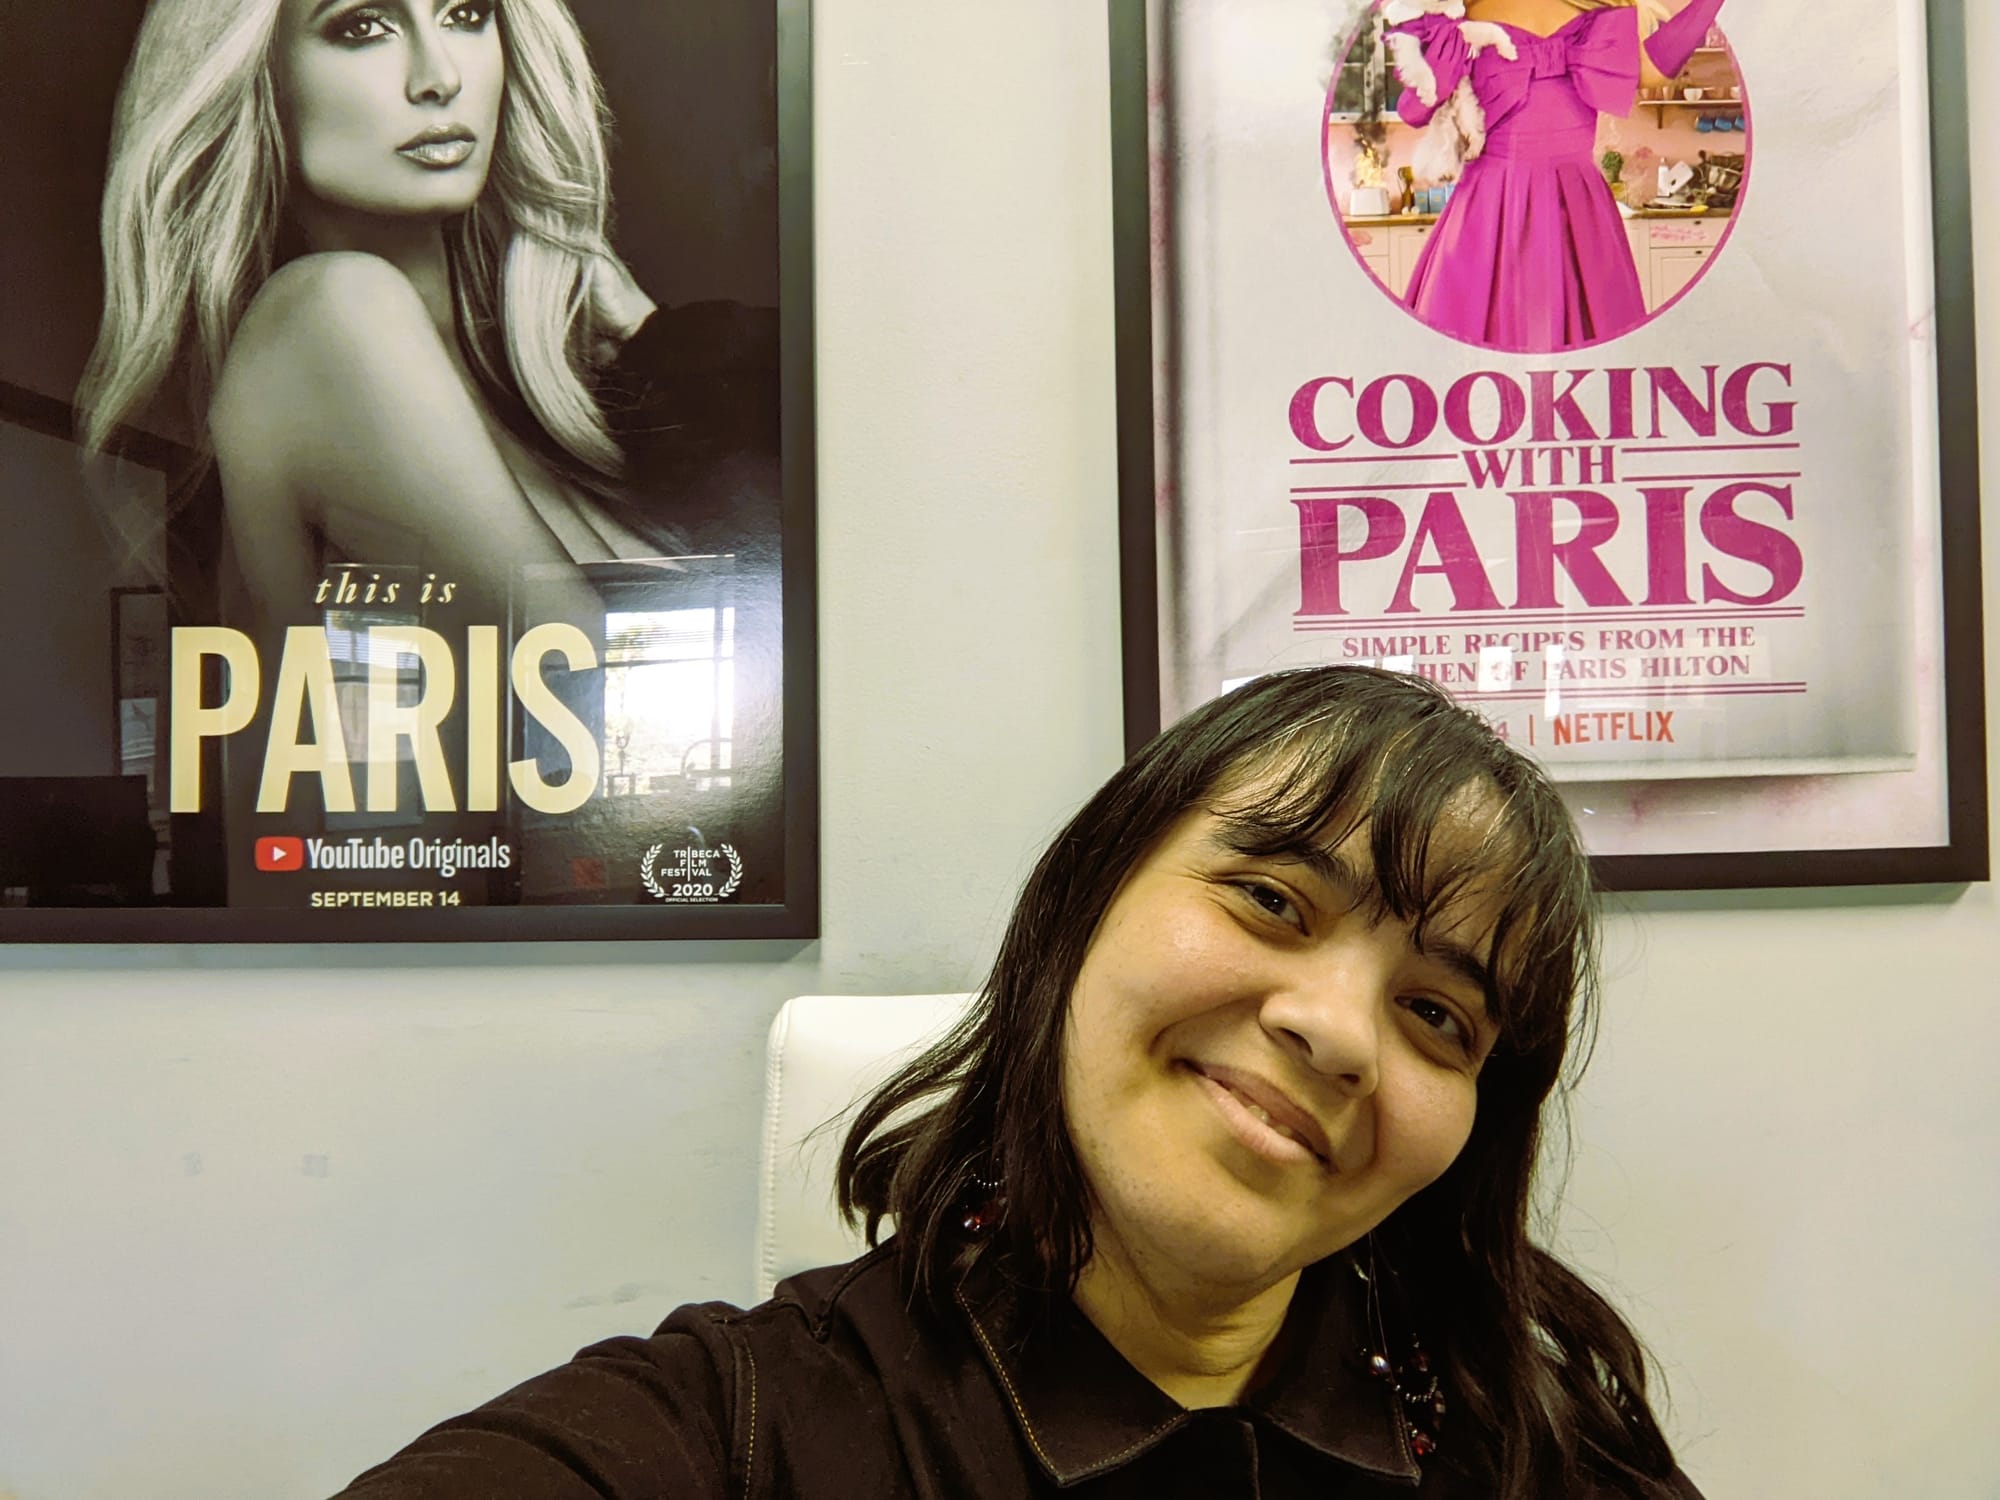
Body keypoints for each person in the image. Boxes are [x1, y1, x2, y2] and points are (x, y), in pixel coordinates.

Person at [329, 665, 1705, 1498]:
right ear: (1075, 921)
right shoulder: (744, 1428)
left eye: (1436, 1014)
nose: (1340, 1032)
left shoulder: (1541, 1445)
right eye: (1274, 902)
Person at [76, 0, 669, 628]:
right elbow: (581, 682)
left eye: (465, 14)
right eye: (362, 26)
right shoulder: (329, 315)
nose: (441, 77)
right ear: (262, 75)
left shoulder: (537, 395)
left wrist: (651, 336)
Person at [1386, 0, 1730, 353]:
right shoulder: (1471, 16)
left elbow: (1414, 109)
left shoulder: (1477, 16)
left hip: (1521, 203)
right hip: (1521, 205)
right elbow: (1414, 110)